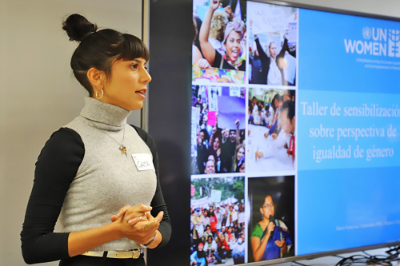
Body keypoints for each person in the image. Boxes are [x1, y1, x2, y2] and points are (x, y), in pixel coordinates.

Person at [20, 14, 171, 265]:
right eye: (134, 66)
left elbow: (163, 221)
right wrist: (116, 230)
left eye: (145, 66)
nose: (147, 77)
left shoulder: (143, 140)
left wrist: (149, 235)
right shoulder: (66, 144)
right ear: (97, 77)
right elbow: (34, 247)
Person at [199, 0, 246, 71]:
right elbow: (203, 40)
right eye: (231, 40)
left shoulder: (245, 64)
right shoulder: (219, 61)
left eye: (238, 41)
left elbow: (244, 29)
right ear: (225, 44)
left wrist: (232, 16)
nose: (236, 45)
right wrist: (211, 9)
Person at [250, 195, 292, 261]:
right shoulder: (257, 229)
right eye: (266, 206)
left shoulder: (280, 224)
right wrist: (267, 235)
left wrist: (283, 245)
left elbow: (285, 252)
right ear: (261, 210)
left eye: (271, 204)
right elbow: (256, 258)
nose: (270, 208)